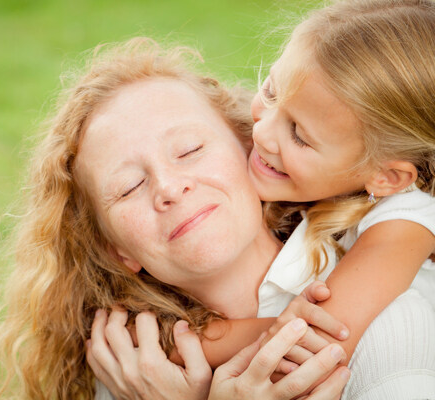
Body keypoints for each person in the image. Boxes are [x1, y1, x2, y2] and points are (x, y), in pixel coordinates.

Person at [90, 0, 435, 398]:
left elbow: (313, 342)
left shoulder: (406, 219)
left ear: (387, 177)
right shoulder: (320, 186)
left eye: (300, 136)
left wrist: (182, 351)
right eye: (270, 93)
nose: (262, 134)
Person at [0, 38, 352, 400]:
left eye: (190, 150)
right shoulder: (136, 371)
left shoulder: (370, 274)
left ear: (250, 151)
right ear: (116, 251)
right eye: (129, 187)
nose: (169, 187)